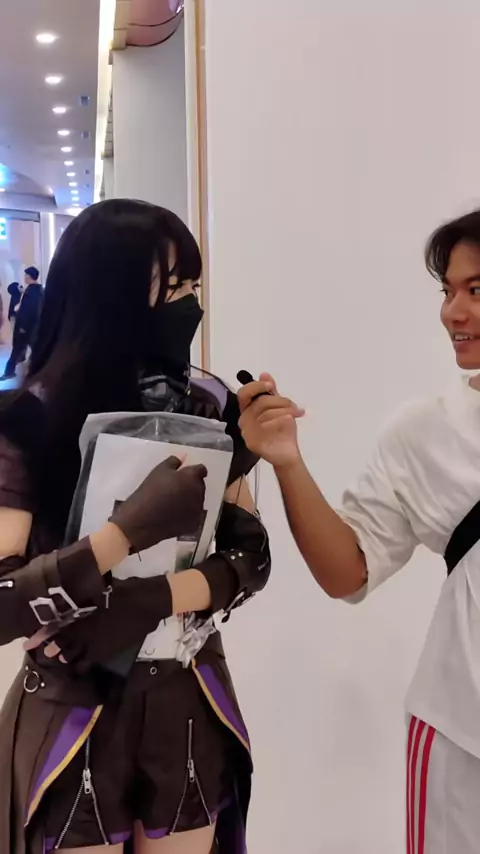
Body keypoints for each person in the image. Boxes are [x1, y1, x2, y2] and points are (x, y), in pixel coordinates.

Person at [0, 199, 270, 854]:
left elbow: (250, 557)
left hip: (184, 699)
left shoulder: (206, 406)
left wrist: (149, 599)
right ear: (110, 293)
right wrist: (120, 536)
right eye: (172, 288)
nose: (189, 306)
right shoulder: (28, 422)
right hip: (72, 705)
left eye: (193, 287)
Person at [238, 208, 480, 854]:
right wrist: (288, 462)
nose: (453, 312)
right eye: (448, 291)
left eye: (476, 290)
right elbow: (348, 571)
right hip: (463, 735)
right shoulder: (424, 432)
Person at [1, 266, 43, 380]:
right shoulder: (37, 290)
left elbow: (30, 310)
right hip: (32, 326)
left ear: (29, 276)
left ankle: (9, 372)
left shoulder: (32, 291)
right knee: (33, 349)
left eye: (25, 275)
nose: (24, 277)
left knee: (17, 350)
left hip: (26, 327)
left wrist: (23, 326)